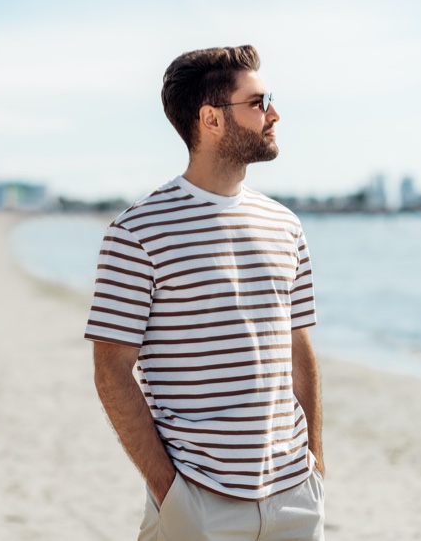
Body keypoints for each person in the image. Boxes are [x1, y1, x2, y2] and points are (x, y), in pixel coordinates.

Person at [85, 44, 324, 540]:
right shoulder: (137, 232)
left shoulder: (285, 225)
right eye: (258, 103)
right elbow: (111, 368)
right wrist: (171, 492)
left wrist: (315, 466)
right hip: (199, 500)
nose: (274, 114)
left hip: (294, 494)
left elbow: (299, 350)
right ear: (212, 119)